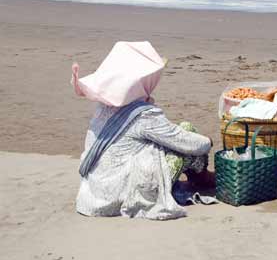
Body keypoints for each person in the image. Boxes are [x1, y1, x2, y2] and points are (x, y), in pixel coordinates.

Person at [71, 41, 214, 220]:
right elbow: (188, 142)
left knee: (165, 141)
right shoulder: (144, 116)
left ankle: (200, 177)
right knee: (187, 131)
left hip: (93, 196)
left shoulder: (104, 106)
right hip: (120, 198)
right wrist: (208, 141)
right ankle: (201, 178)